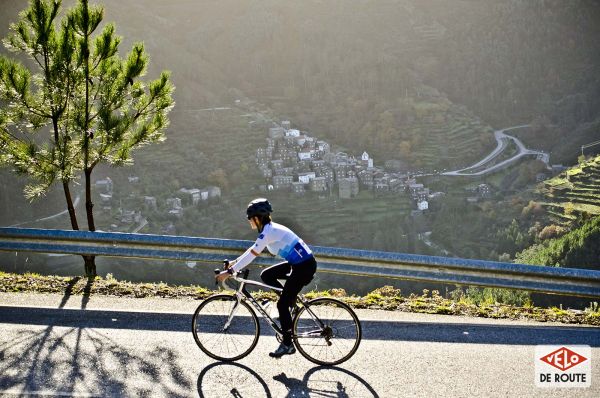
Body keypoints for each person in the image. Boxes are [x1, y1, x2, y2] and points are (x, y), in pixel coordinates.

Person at [216, 198, 317, 358]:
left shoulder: (269, 231)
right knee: (267, 275)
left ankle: (287, 344)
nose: (249, 220)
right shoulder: (268, 230)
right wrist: (235, 263)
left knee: (282, 305)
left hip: (303, 267)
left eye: (250, 217)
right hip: (298, 264)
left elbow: (252, 254)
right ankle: (290, 300)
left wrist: (230, 272)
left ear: (257, 218)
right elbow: (253, 249)